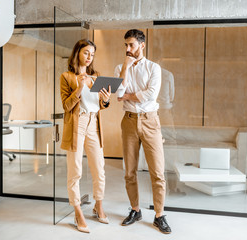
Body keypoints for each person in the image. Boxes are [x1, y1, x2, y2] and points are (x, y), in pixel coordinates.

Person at [115, 29, 172, 234]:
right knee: (129, 171)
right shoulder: (120, 67)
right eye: (126, 45)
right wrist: (125, 69)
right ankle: (135, 210)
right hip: (128, 122)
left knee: (157, 171)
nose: (128, 49)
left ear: (142, 45)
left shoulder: (153, 68)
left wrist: (127, 96)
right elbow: (118, 93)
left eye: (131, 44)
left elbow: (150, 96)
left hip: (150, 122)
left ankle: (159, 215)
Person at [60, 39, 111, 233]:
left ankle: (99, 206)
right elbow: (66, 106)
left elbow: (100, 105)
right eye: (86, 53)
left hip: (93, 123)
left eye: (92, 54)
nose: (89, 57)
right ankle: (77, 211)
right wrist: (80, 87)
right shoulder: (66, 76)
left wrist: (105, 100)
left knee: (99, 168)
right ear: (78, 53)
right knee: (75, 171)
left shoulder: (96, 76)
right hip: (76, 123)